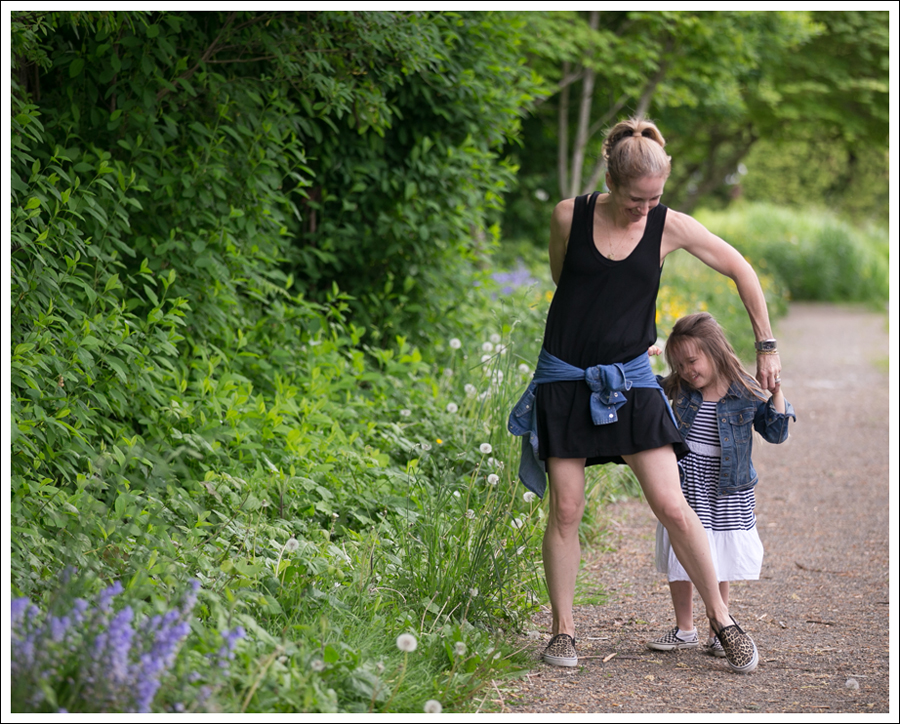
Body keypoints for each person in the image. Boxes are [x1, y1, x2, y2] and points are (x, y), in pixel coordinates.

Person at [508, 116, 781, 674]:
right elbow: (565, 279)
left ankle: (722, 621)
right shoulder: (568, 215)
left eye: (655, 198)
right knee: (566, 508)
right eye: (637, 199)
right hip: (565, 377)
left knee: (673, 505)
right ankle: (563, 632)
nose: (645, 209)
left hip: (632, 380)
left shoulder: (668, 225)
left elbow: (741, 268)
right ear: (611, 180)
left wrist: (767, 345)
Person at [644, 313, 795, 657]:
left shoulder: (744, 389)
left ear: (714, 352)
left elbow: (777, 432)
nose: (687, 370)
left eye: (692, 361)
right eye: (680, 364)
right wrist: (640, 358)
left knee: (719, 554)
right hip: (686, 482)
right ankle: (684, 629)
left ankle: (719, 628)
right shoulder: (680, 386)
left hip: (726, 487)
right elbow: (647, 390)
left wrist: (776, 391)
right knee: (681, 551)